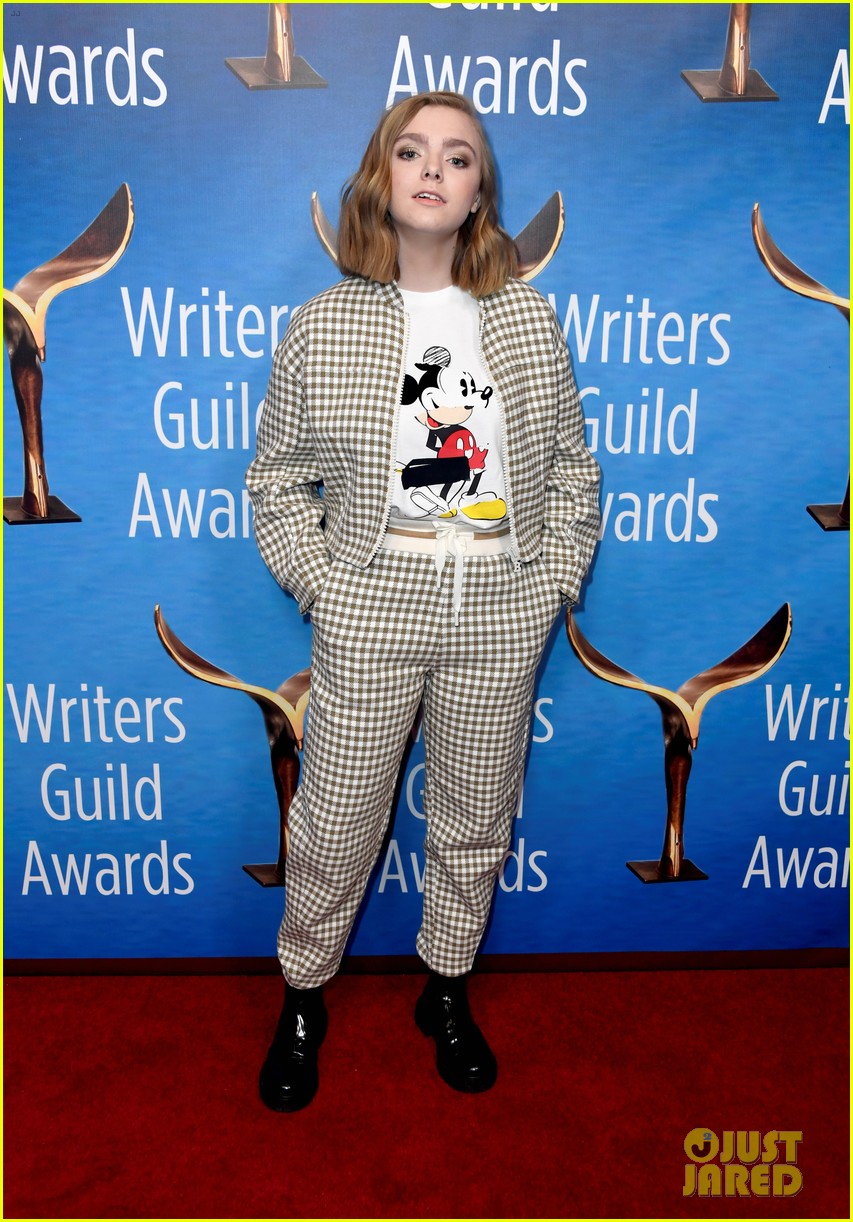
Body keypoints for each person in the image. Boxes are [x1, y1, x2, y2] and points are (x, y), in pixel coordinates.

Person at [245, 90, 601, 1112]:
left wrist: (549, 585)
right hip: (373, 609)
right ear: (380, 179)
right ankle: (304, 994)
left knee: (473, 819)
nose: (433, 169)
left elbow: (573, 474)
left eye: (458, 156)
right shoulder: (322, 324)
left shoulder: (527, 318)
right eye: (411, 151)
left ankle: (445, 988)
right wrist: (327, 591)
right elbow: (276, 483)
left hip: (500, 608)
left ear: (481, 190)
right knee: (336, 823)